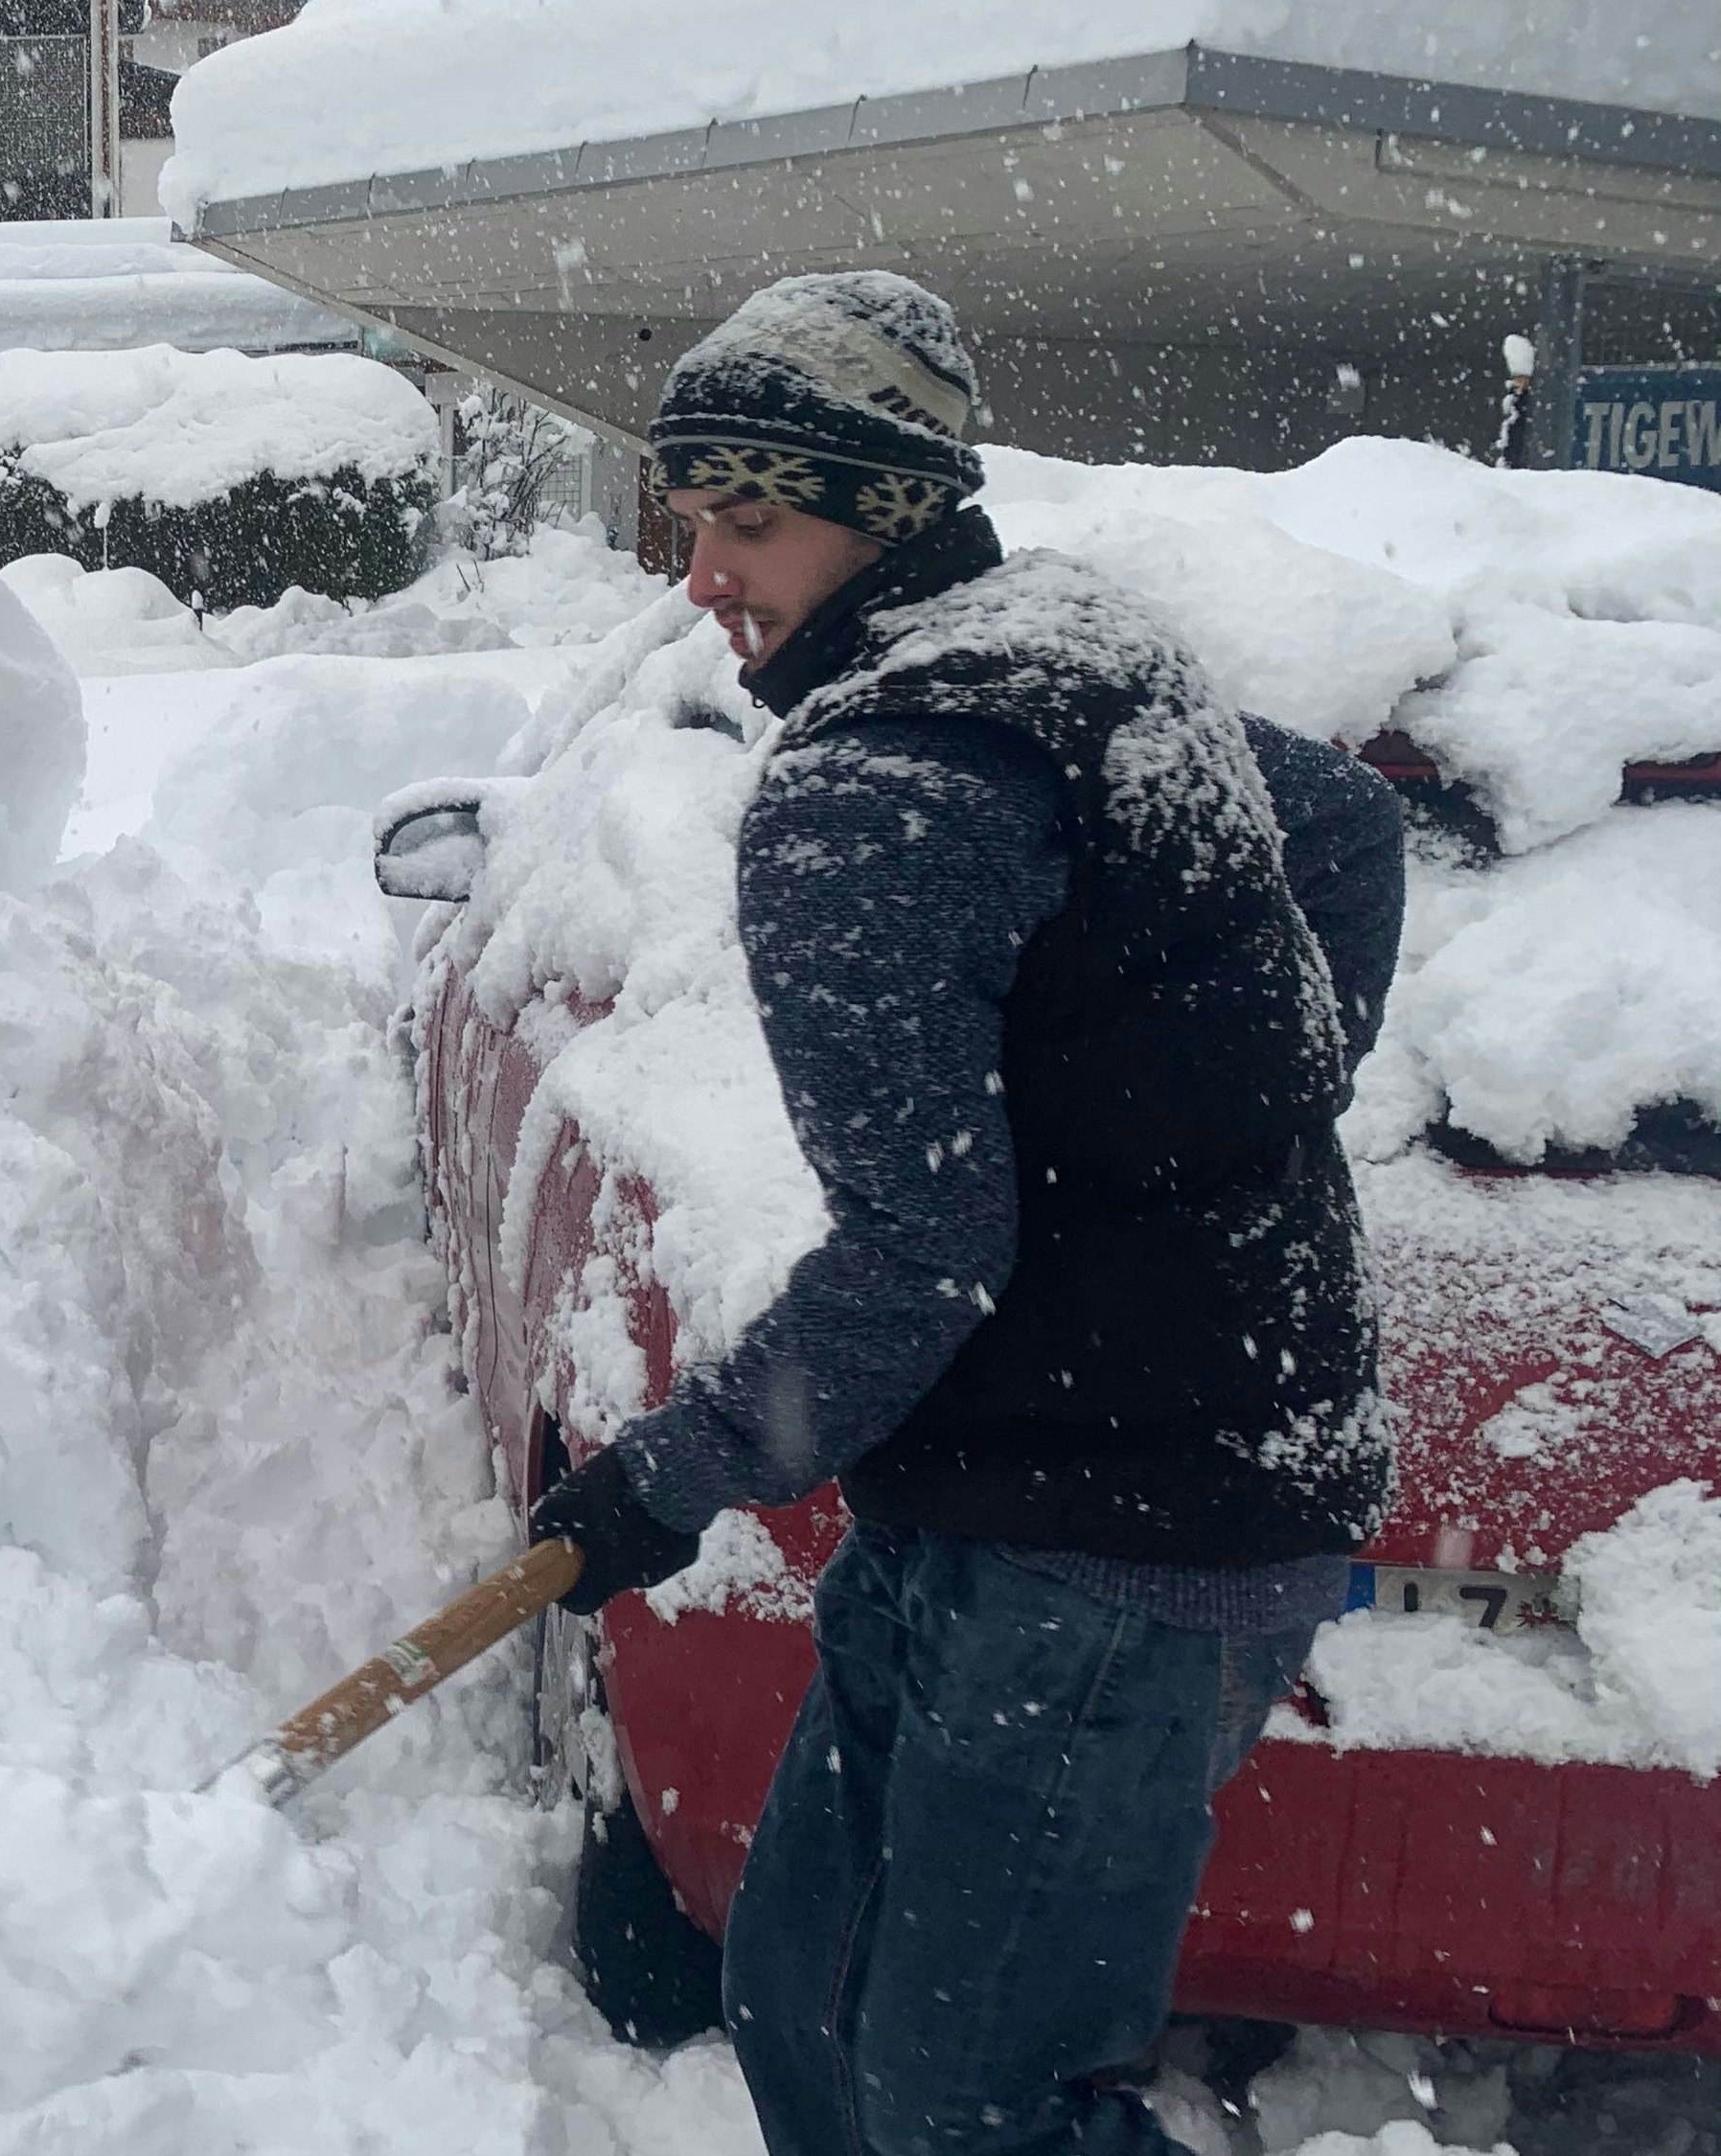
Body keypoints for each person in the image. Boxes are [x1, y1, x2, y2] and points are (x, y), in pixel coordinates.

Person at [523, 272, 1406, 2156]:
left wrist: (659, 1481)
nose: (700, 577)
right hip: (1044, 1482)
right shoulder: (1067, 645)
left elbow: (914, 1260)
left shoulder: (874, 797)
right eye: (686, 524)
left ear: (886, 515)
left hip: (1117, 1539)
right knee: (808, 2006)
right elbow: (1337, 822)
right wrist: (1220, 1100)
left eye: (744, 522)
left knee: (965, 2112)